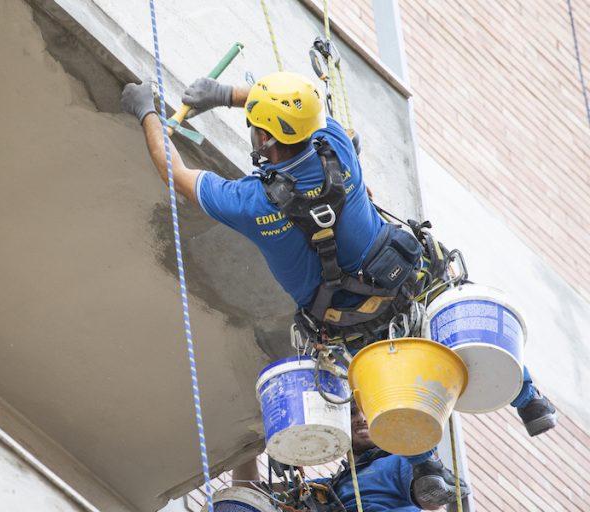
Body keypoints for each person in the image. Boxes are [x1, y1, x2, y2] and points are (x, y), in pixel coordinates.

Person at [118, 72, 555, 439]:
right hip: (404, 277)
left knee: (394, 387)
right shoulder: (336, 146)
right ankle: (530, 400)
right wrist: (228, 94)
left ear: (264, 135)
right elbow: (303, 112)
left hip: (344, 321)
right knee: (454, 311)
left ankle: (425, 470)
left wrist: (147, 112)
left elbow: (173, 171)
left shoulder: (251, 202)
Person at [230, 402, 470, 511]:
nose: (362, 418)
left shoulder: (399, 460)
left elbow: (431, 501)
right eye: (353, 412)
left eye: (370, 411)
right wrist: (251, 443)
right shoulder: (328, 488)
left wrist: (427, 467)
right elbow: (248, 494)